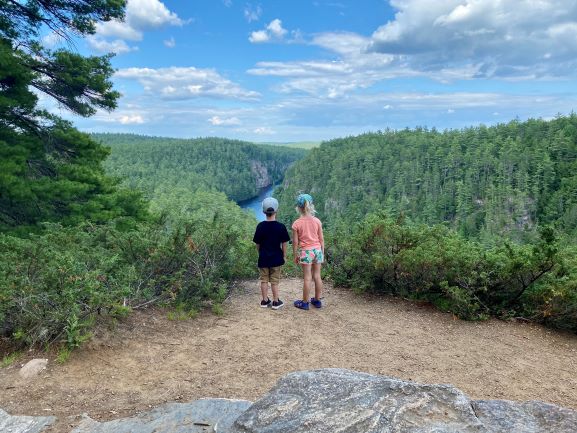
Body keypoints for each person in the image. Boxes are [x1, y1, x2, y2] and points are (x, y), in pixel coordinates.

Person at [253, 197, 290, 310]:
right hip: (276, 259)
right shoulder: (281, 227)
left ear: (264, 212)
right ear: (276, 210)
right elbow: (284, 243)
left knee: (264, 280)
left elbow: (257, 244)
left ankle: (264, 301)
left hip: (263, 258)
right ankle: (275, 301)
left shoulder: (260, 226)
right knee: (274, 281)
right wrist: (284, 256)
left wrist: (261, 253)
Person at [292, 193, 324, 310]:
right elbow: (321, 239)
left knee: (307, 277)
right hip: (317, 250)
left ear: (299, 208)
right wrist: (322, 252)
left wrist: (295, 255)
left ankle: (305, 303)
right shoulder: (317, 221)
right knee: (317, 275)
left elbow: (295, 242)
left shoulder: (296, 224)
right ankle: (317, 300)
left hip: (306, 252)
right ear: (311, 206)